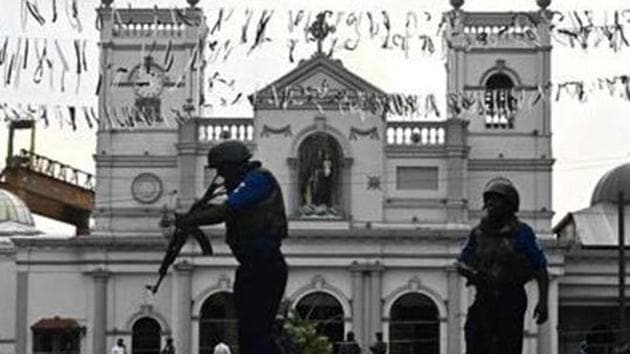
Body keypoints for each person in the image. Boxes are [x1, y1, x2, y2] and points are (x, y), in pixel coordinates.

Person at [172, 140, 288, 354]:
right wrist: (195, 214)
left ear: (234, 166)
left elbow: (226, 210)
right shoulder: (245, 184)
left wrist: (190, 220)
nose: (222, 177)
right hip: (252, 267)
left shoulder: (258, 180)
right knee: (249, 334)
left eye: (223, 170)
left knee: (257, 334)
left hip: (265, 266)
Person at [456, 181, 549, 354]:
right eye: (489, 200)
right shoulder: (478, 233)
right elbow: (462, 260)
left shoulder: (523, 233)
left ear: (509, 206)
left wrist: (543, 302)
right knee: (475, 339)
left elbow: (540, 267)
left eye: (496, 200)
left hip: (511, 297)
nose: (490, 205)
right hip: (485, 297)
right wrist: (470, 273)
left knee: (508, 345)